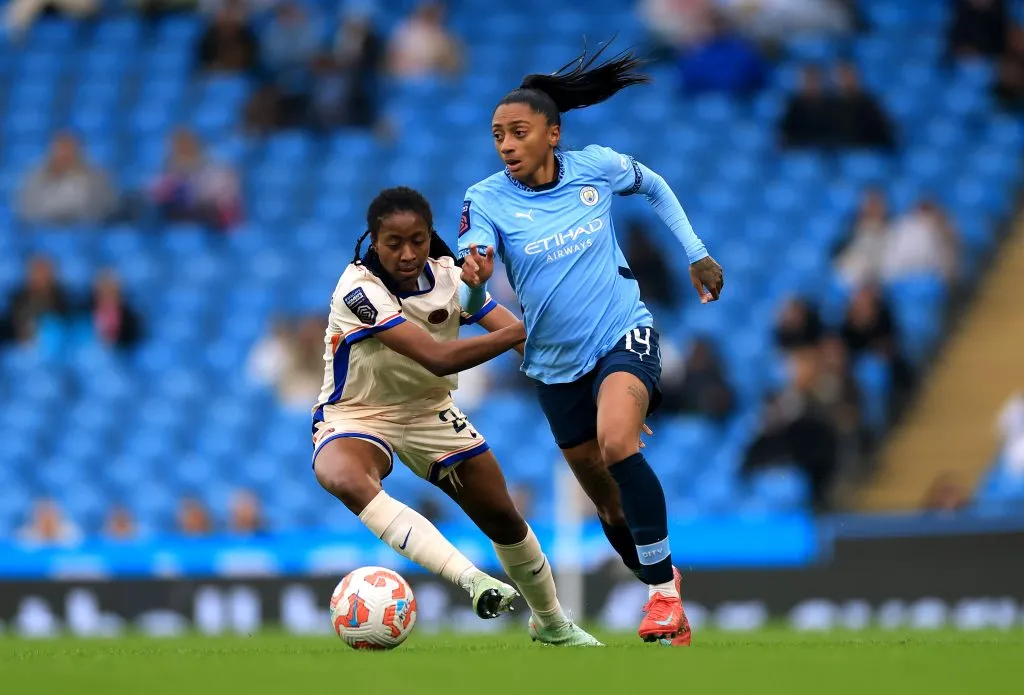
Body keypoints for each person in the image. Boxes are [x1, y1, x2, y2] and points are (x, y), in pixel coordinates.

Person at [457, 43, 723, 644]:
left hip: (622, 330)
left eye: (517, 132)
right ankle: (663, 586)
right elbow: (473, 298)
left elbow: (652, 184)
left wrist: (697, 252)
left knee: (617, 443)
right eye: (497, 134)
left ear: (552, 134)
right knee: (606, 504)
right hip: (552, 366)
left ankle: (659, 597)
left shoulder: (594, 168)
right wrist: (474, 289)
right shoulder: (485, 200)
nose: (505, 144)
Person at [311, 187, 601, 647]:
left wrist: (585, 388)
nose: (408, 254)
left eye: (418, 240)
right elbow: (438, 358)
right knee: (342, 475)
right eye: (394, 243)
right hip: (358, 413)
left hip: (430, 412)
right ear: (374, 240)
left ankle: (552, 624)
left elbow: (519, 339)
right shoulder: (358, 289)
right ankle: (472, 580)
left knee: (503, 517)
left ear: (431, 237)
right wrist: (527, 326)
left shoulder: (451, 277)